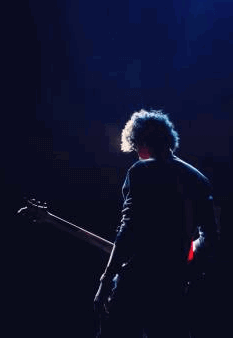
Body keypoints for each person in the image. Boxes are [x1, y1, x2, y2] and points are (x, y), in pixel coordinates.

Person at [94, 109, 219, 338]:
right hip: (174, 285)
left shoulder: (141, 170)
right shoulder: (198, 179)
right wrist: (186, 259)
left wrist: (105, 279)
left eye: (135, 149)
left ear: (142, 142)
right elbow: (211, 238)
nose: (136, 155)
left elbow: (128, 229)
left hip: (135, 283)